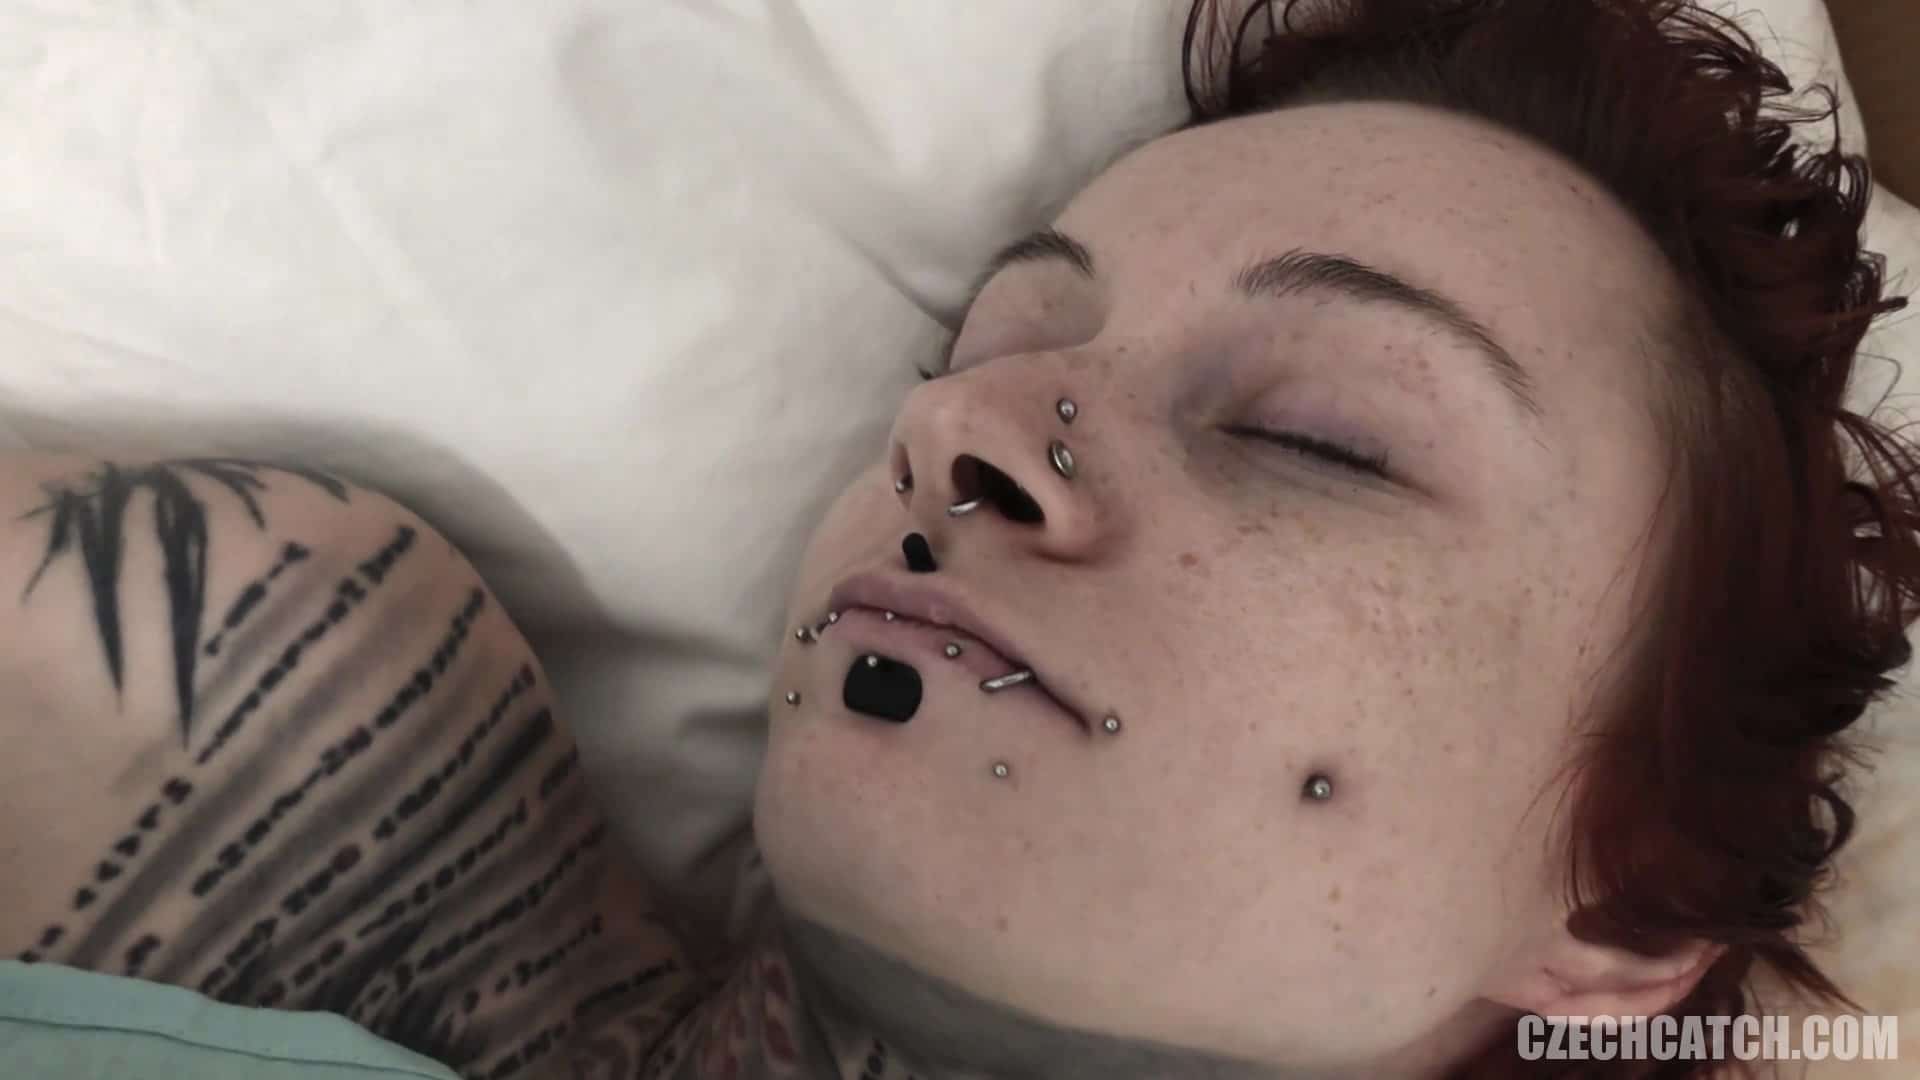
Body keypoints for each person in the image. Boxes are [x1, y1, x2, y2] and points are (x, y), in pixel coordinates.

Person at [2, 0, 1914, 1077]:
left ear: (1621, 910)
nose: (961, 432)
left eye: (1318, 440)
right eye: (988, 350)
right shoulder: (235, 706)